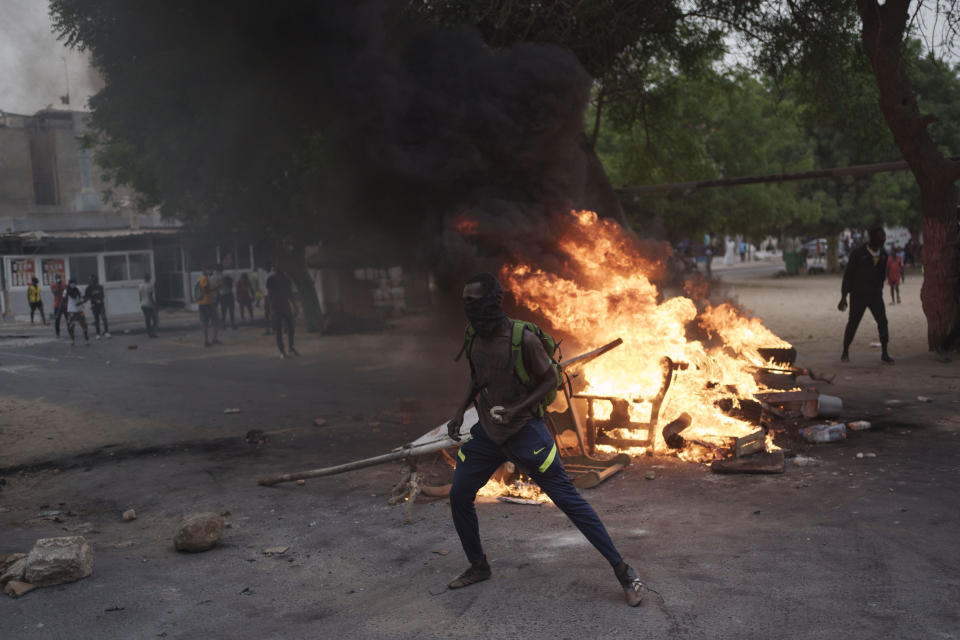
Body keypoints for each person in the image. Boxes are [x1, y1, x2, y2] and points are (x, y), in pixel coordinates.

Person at [444, 273, 645, 606]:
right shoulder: (473, 336)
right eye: (465, 301)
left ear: (495, 301)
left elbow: (549, 381)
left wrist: (515, 410)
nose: (468, 307)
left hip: (526, 433)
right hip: (488, 435)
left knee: (569, 501)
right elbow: (477, 378)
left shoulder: (523, 339)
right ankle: (478, 566)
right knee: (459, 495)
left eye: (475, 301)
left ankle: (624, 571)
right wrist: (458, 413)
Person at [839, 226, 893, 364]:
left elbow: (882, 276)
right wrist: (844, 296)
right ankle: (845, 351)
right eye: (880, 237)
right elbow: (848, 275)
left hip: (875, 295)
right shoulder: (858, 253)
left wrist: (878, 289)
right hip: (858, 295)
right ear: (872, 237)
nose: (883, 240)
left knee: (883, 322)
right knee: (853, 323)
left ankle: (885, 353)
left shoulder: (883, 254)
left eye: (884, 237)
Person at [266, 265, 297, 358]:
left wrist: (294, 305)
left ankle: (290, 347)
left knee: (290, 328)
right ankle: (282, 350)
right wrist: (271, 308)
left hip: (284, 306)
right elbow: (269, 295)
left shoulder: (286, 279)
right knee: (279, 329)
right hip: (277, 306)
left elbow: (289, 293)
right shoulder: (271, 279)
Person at [196, 266, 221, 347]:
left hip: (201, 303)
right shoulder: (204, 279)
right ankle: (213, 339)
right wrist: (216, 288)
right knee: (215, 320)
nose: (211, 271)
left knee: (205, 323)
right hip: (208, 303)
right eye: (209, 269)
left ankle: (207, 340)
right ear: (204, 271)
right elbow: (207, 290)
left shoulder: (200, 278)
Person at [65, 278, 90, 346]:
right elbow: (65, 299)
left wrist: (82, 302)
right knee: (71, 327)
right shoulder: (66, 291)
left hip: (79, 310)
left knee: (84, 325)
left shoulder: (79, 290)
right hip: (71, 311)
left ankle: (86, 340)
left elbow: (85, 298)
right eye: (71, 283)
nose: (72, 285)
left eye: (74, 283)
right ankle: (72, 340)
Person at [85, 274, 111, 339]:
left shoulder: (100, 287)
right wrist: (95, 300)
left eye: (94, 279)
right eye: (91, 280)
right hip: (94, 305)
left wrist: (100, 300)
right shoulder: (88, 288)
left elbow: (102, 295)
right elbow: (87, 297)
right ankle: (98, 333)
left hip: (101, 305)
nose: (93, 281)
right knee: (96, 320)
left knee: (104, 318)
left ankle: (106, 332)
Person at [139, 273, 159, 338]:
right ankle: (152, 332)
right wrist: (154, 304)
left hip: (143, 304)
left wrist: (141, 302)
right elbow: (150, 296)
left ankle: (149, 332)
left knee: (147, 319)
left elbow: (140, 296)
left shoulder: (140, 285)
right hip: (149, 304)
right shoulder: (150, 285)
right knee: (155, 319)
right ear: (149, 278)